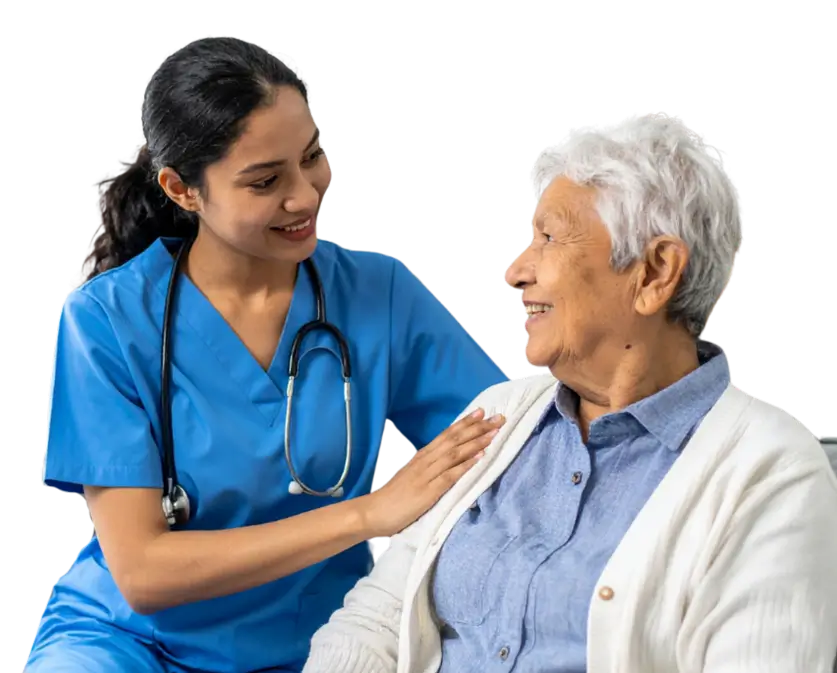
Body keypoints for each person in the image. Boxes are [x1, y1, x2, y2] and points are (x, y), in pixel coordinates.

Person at [28, 36, 509, 673]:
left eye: (311, 157)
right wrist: (366, 515)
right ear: (182, 189)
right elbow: (142, 572)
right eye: (265, 181)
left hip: (314, 641)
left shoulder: (378, 295)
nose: (305, 196)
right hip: (128, 643)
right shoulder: (108, 321)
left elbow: (509, 442)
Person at [302, 113, 837, 673]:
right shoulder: (498, 415)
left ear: (655, 273)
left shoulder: (771, 475)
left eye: (550, 238)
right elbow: (378, 619)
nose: (515, 272)